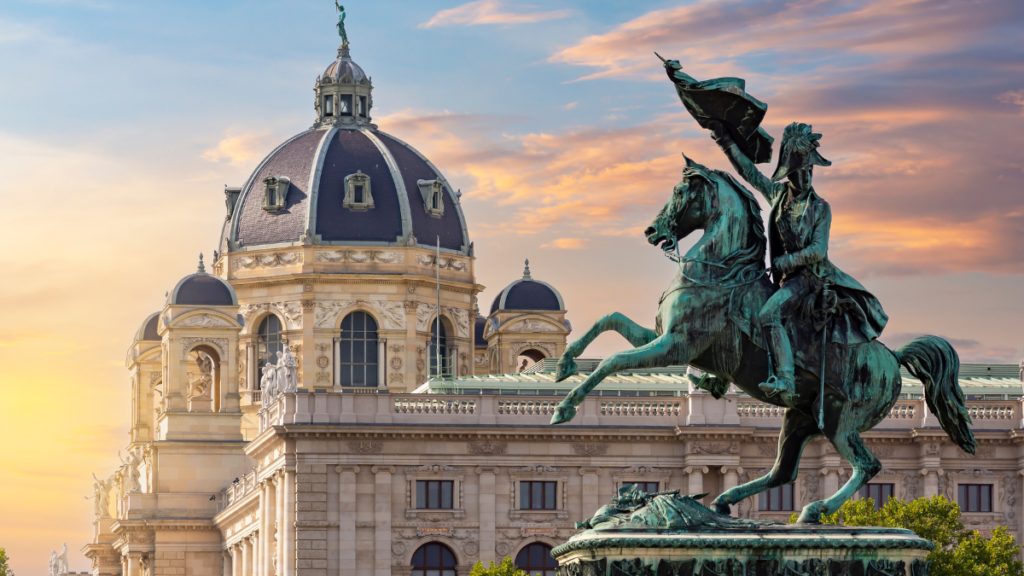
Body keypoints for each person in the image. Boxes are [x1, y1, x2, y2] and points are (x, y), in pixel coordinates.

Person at [708, 120, 888, 402]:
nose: (807, 176)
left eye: (810, 170)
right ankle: (722, 376)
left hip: (810, 279)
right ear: (789, 172)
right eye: (802, 171)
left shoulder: (820, 207)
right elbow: (749, 173)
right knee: (738, 303)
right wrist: (724, 140)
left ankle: (786, 379)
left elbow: (818, 250)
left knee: (768, 315)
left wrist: (788, 262)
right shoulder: (778, 195)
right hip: (783, 279)